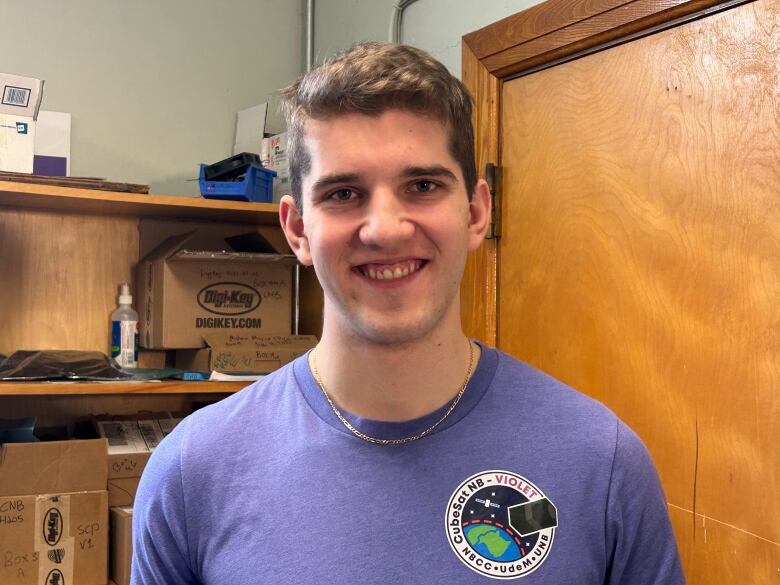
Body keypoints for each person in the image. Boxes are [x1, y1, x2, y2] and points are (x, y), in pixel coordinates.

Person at [132, 42, 684, 584]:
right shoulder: (193, 471)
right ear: (297, 228)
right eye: (344, 194)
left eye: (422, 186)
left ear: (474, 212)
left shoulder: (599, 462)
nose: (386, 229)